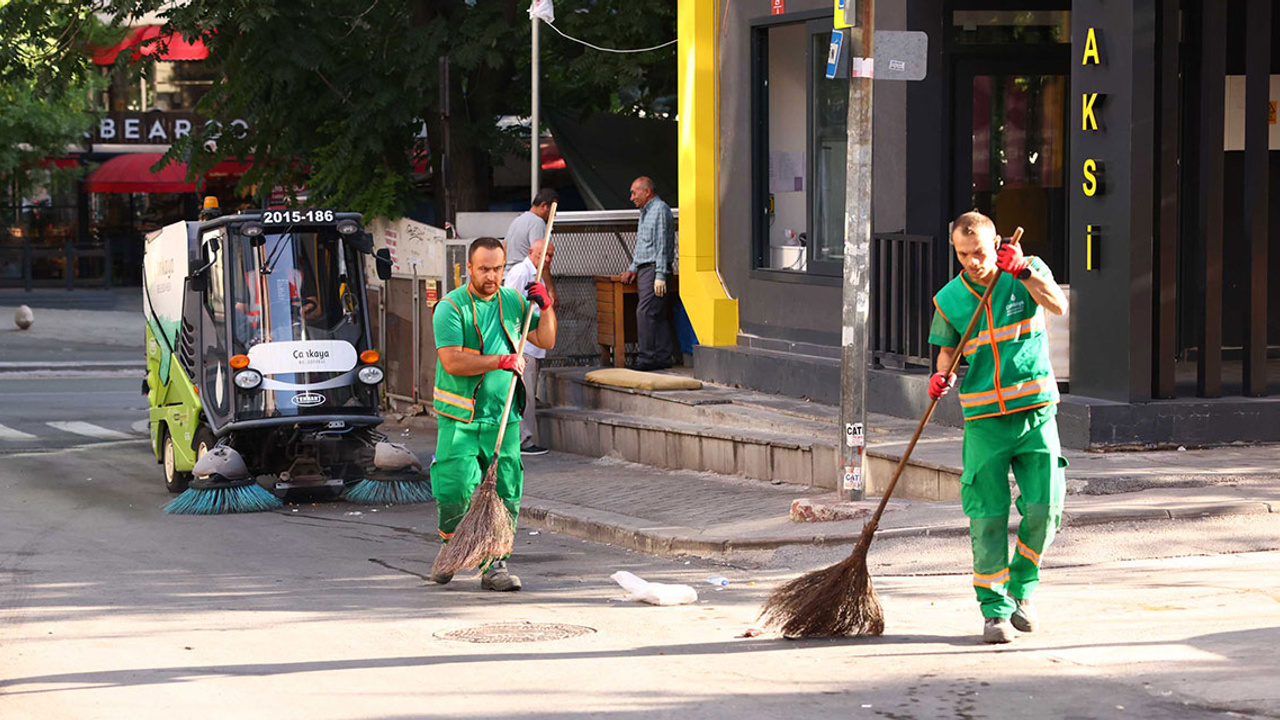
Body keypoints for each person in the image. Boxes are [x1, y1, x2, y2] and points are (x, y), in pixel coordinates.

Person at [927, 211, 1069, 645]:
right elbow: (946, 354)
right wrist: (941, 376)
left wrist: (1022, 270)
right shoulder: (949, 299)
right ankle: (994, 611)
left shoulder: (1026, 272)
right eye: (963, 253)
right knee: (987, 517)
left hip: (1036, 413)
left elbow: (1057, 305)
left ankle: (1022, 590)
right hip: (985, 421)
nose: (972, 261)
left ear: (997, 243)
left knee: (1046, 509)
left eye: (980, 252)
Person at [428, 237, 556, 591]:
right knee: (454, 489)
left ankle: (495, 564)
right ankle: (453, 548)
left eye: (498, 269)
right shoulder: (451, 308)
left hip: (504, 416)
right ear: (468, 268)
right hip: (461, 418)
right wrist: (502, 360)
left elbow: (546, 341)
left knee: (505, 491)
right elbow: (452, 359)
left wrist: (545, 307)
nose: (492, 276)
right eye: (484, 269)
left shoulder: (514, 302)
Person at [503, 237, 556, 456]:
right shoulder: (521, 273)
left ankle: (522, 437)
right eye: (545, 254)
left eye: (552, 255)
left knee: (526, 392)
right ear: (533, 253)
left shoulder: (537, 276)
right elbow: (510, 306)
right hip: (523, 344)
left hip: (534, 342)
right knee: (524, 393)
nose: (549, 260)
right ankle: (523, 439)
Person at [618, 176, 676, 371]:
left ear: (647, 192)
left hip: (653, 268)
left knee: (646, 312)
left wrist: (660, 274)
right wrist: (633, 268)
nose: (631, 197)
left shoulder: (659, 210)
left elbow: (661, 244)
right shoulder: (646, 211)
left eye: (635, 193)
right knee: (656, 313)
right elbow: (643, 245)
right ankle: (661, 356)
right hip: (646, 268)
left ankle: (647, 358)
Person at [503, 188, 559, 270]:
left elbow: (504, 246)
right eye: (553, 210)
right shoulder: (538, 223)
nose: (554, 215)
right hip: (526, 275)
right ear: (543, 206)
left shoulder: (517, 220)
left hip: (508, 274)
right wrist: (548, 283)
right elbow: (540, 258)